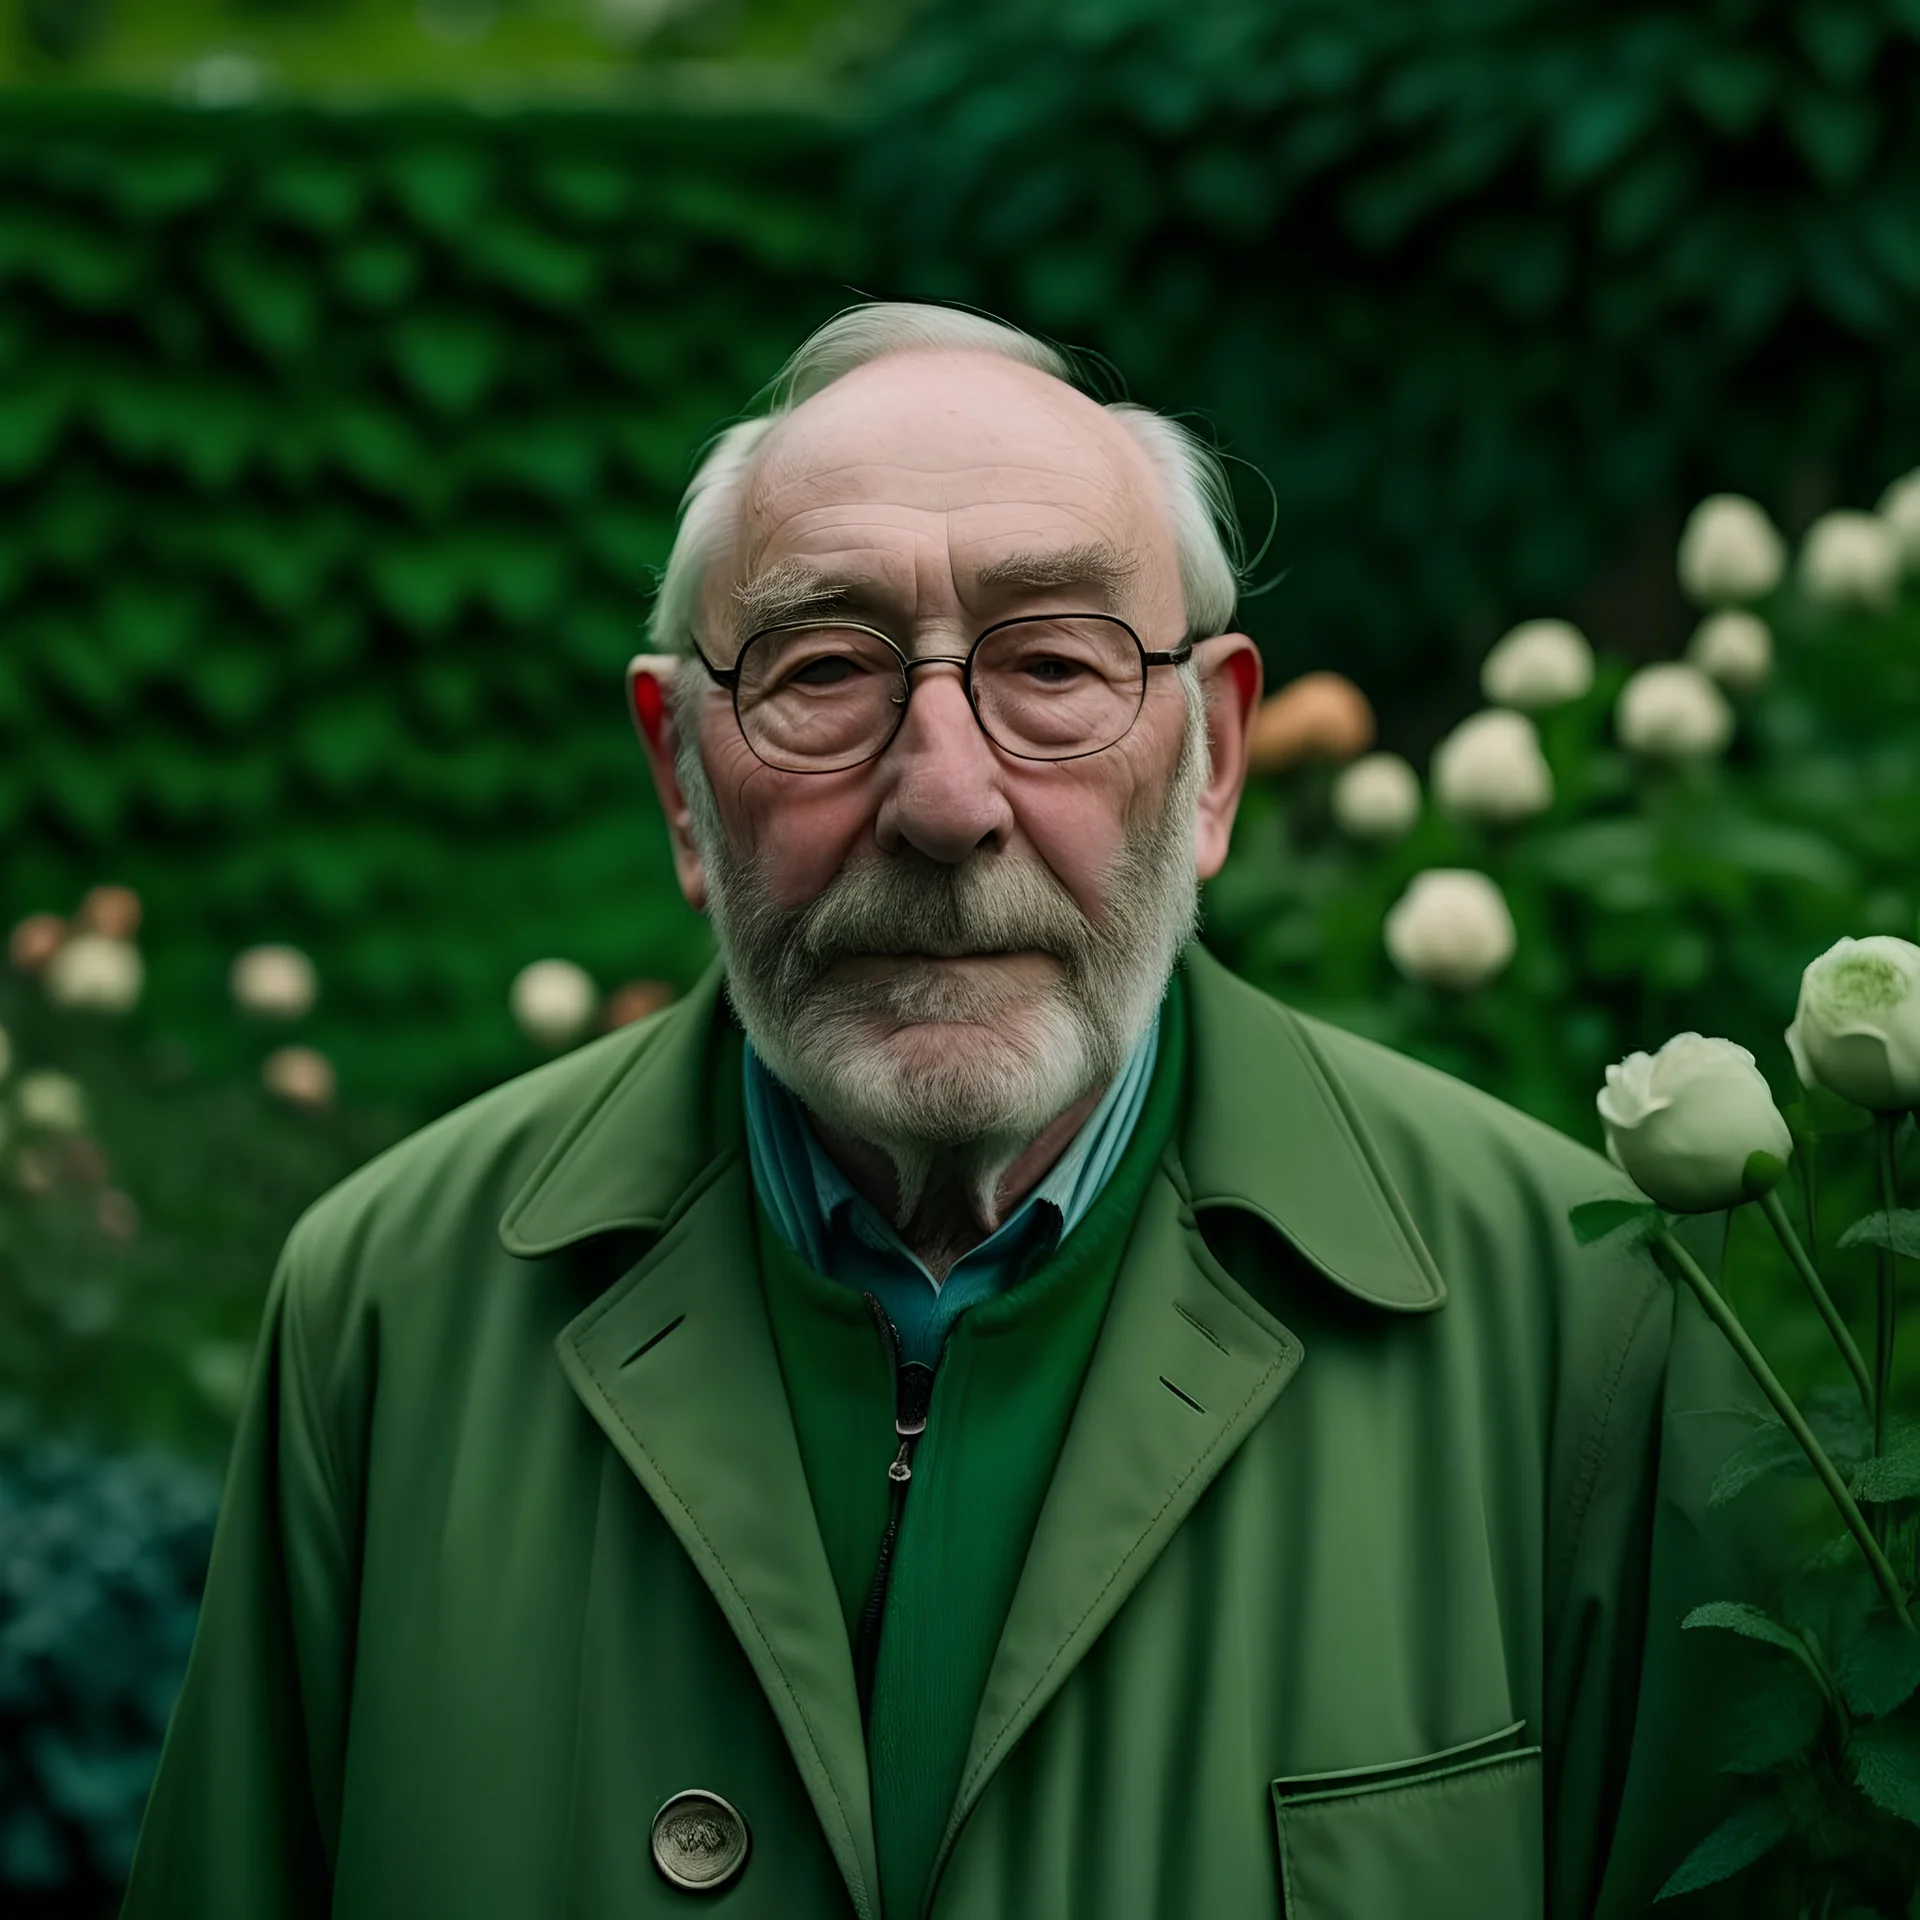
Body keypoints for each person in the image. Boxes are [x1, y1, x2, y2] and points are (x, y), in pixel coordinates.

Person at [123, 303, 1760, 1919]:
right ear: (680, 777)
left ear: (1212, 764)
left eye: (1054, 665)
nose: (946, 801)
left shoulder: (1581, 1326)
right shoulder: (386, 1315)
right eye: (823, 670)